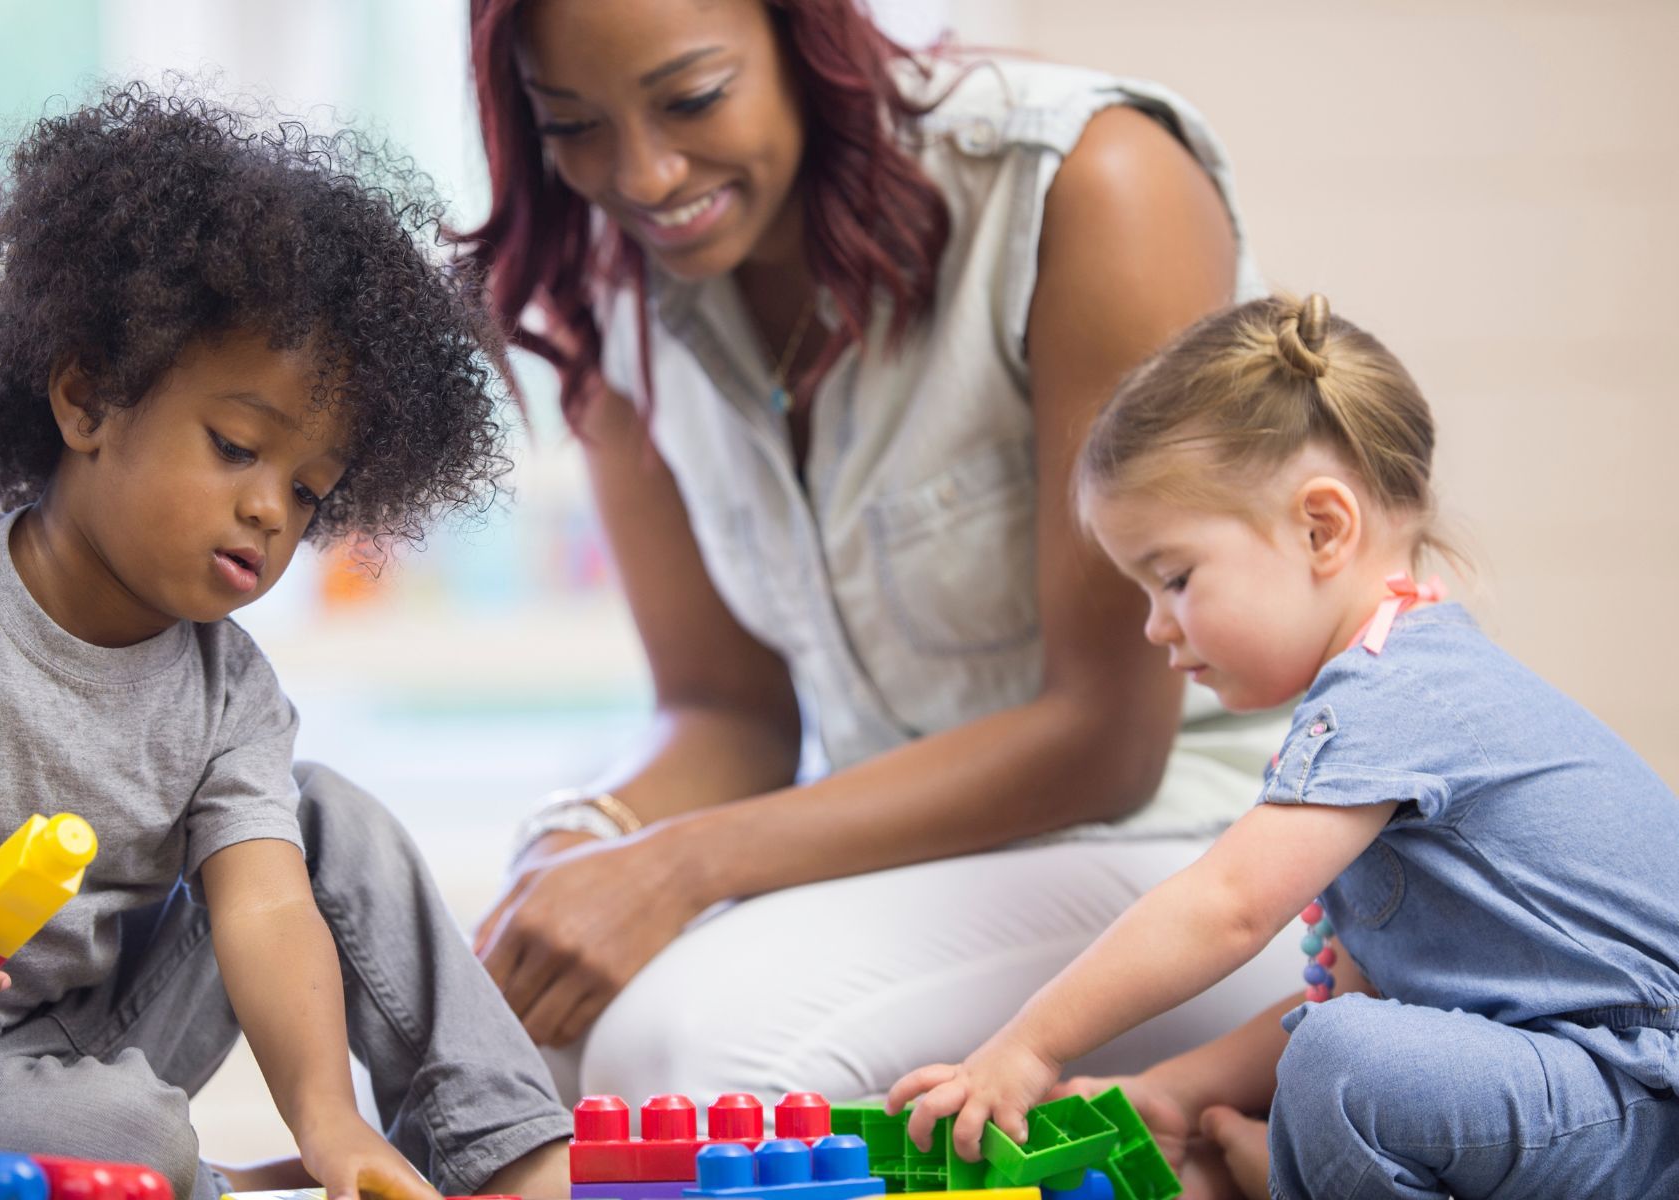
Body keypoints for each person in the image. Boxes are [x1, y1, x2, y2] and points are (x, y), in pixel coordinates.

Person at [0, 84, 570, 1200]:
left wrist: (331, 1117)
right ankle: (194, 1182)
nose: (268, 511)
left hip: (78, 1055)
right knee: (122, 1137)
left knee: (319, 816)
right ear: (88, 399)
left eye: (306, 490)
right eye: (235, 447)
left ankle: (508, 1161)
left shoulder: (228, 687)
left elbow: (262, 903)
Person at [457, 0, 1303, 1100]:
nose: (646, 175)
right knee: (476, 1055)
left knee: (695, 1052)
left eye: (693, 98)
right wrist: (582, 840)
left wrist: (679, 864)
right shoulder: (607, 286)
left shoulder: (1083, 182)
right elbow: (729, 714)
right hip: (906, 872)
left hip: (1216, 849)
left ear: (805, 39)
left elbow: (1104, 739)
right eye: (569, 123)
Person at [887, 294, 1679, 1199]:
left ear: (1320, 528)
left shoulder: (1397, 689)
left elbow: (1226, 906)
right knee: (1345, 1044)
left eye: (1176, 578)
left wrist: (1023, 1049)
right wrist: (1178, 1089)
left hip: (1639, 1092)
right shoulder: (1391, 695)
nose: (1156, 627)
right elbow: (1357, 996)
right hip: (1590, 1092)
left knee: (1344, 1068)